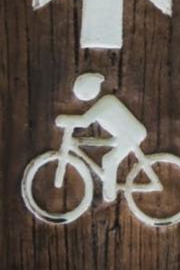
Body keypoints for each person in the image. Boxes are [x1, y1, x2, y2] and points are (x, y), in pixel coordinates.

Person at [56, 72, 147, 203]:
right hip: (123, 135)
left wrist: (65, 119)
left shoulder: (106, 101)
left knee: (109, 160)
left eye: (84, 91)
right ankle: (108, 187)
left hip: (132, 134)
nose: (83, 95)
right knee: (102, 150)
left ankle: (109, 195)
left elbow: (85, 121)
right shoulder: (101, 103)